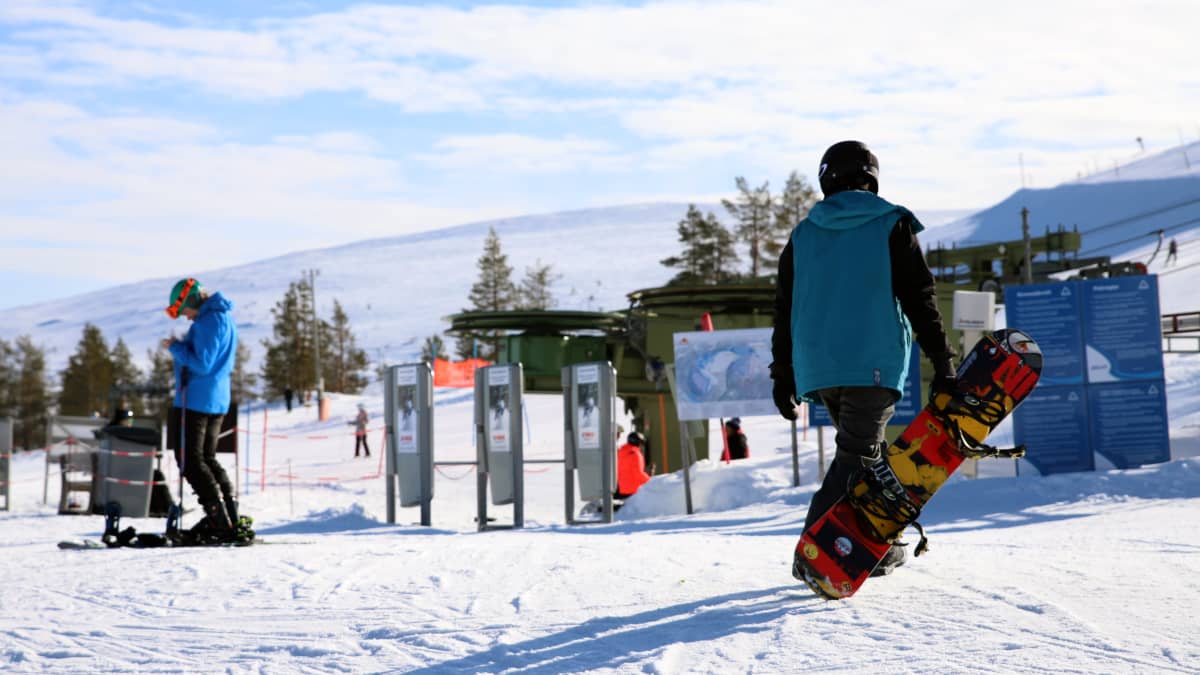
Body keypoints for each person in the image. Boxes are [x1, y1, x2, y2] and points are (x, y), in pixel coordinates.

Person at [770, 140, 954, 578]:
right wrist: (943, 364)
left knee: (867, 461)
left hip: (819, 369)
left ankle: (875, 546)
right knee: (858, 458)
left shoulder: (802, 235)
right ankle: (812, 551)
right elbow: (919, 299)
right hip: (871, 364)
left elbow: (784, 309)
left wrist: (783, 375)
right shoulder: (890, 223)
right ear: (871, 176)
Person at [163, 277, 243, 542]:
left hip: (197, 400)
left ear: (191, 302)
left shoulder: (209, 322)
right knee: (206, 458)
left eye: (182, 310)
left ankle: (218, 519)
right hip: (216, 399)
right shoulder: (224, 319)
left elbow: (203, 363)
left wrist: (175, 348)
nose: (184, 317)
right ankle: (229, 514)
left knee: (190, 460)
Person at [615, 432, 654, 500]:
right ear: (638, 442)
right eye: (641, 442)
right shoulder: (635, 454)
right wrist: (650, 481)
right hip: (633, 490)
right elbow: (638, 473)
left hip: (621, 489)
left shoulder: (621, 452)